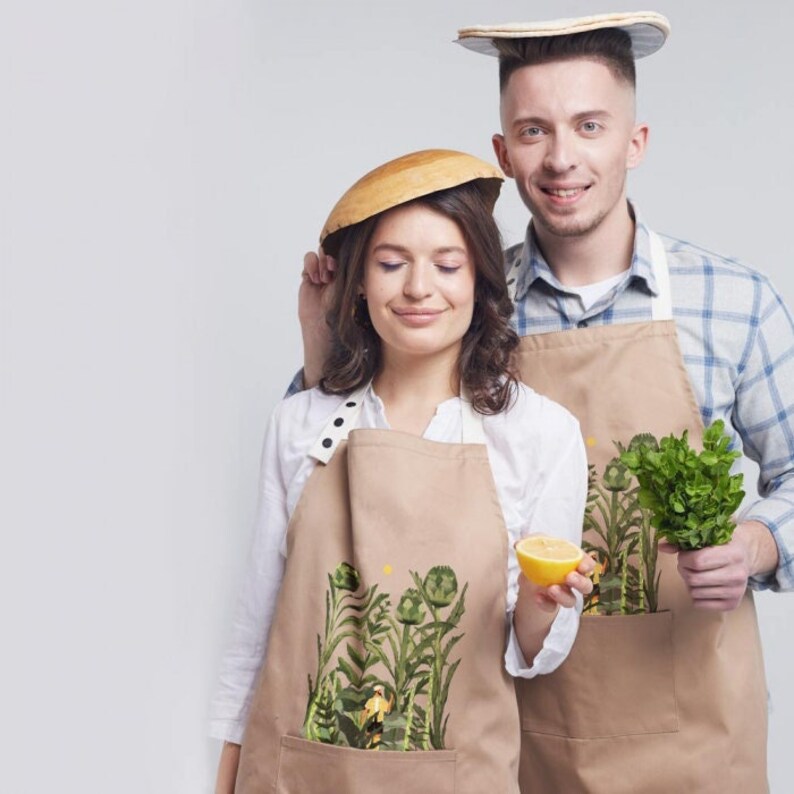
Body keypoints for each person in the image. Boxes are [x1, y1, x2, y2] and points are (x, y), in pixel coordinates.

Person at [299, 12, 794, 793]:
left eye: (589, 125)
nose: (562, 158)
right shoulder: (465, 309)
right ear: (502, 153)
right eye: (532, 131)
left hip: (702, 739)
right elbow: (336, 467)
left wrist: (754, 547)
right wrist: (321, 343)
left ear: (634, 140)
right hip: (518, 737)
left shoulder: (734, 302)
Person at [210, 149, 593, 794]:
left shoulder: (540, 434)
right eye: (391, 264)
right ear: (358, 282)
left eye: (447, 265)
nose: (419, 288)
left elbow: (532, 655)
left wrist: (539, 602)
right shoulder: (301, 423)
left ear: (480, 280)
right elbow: (256, 625)